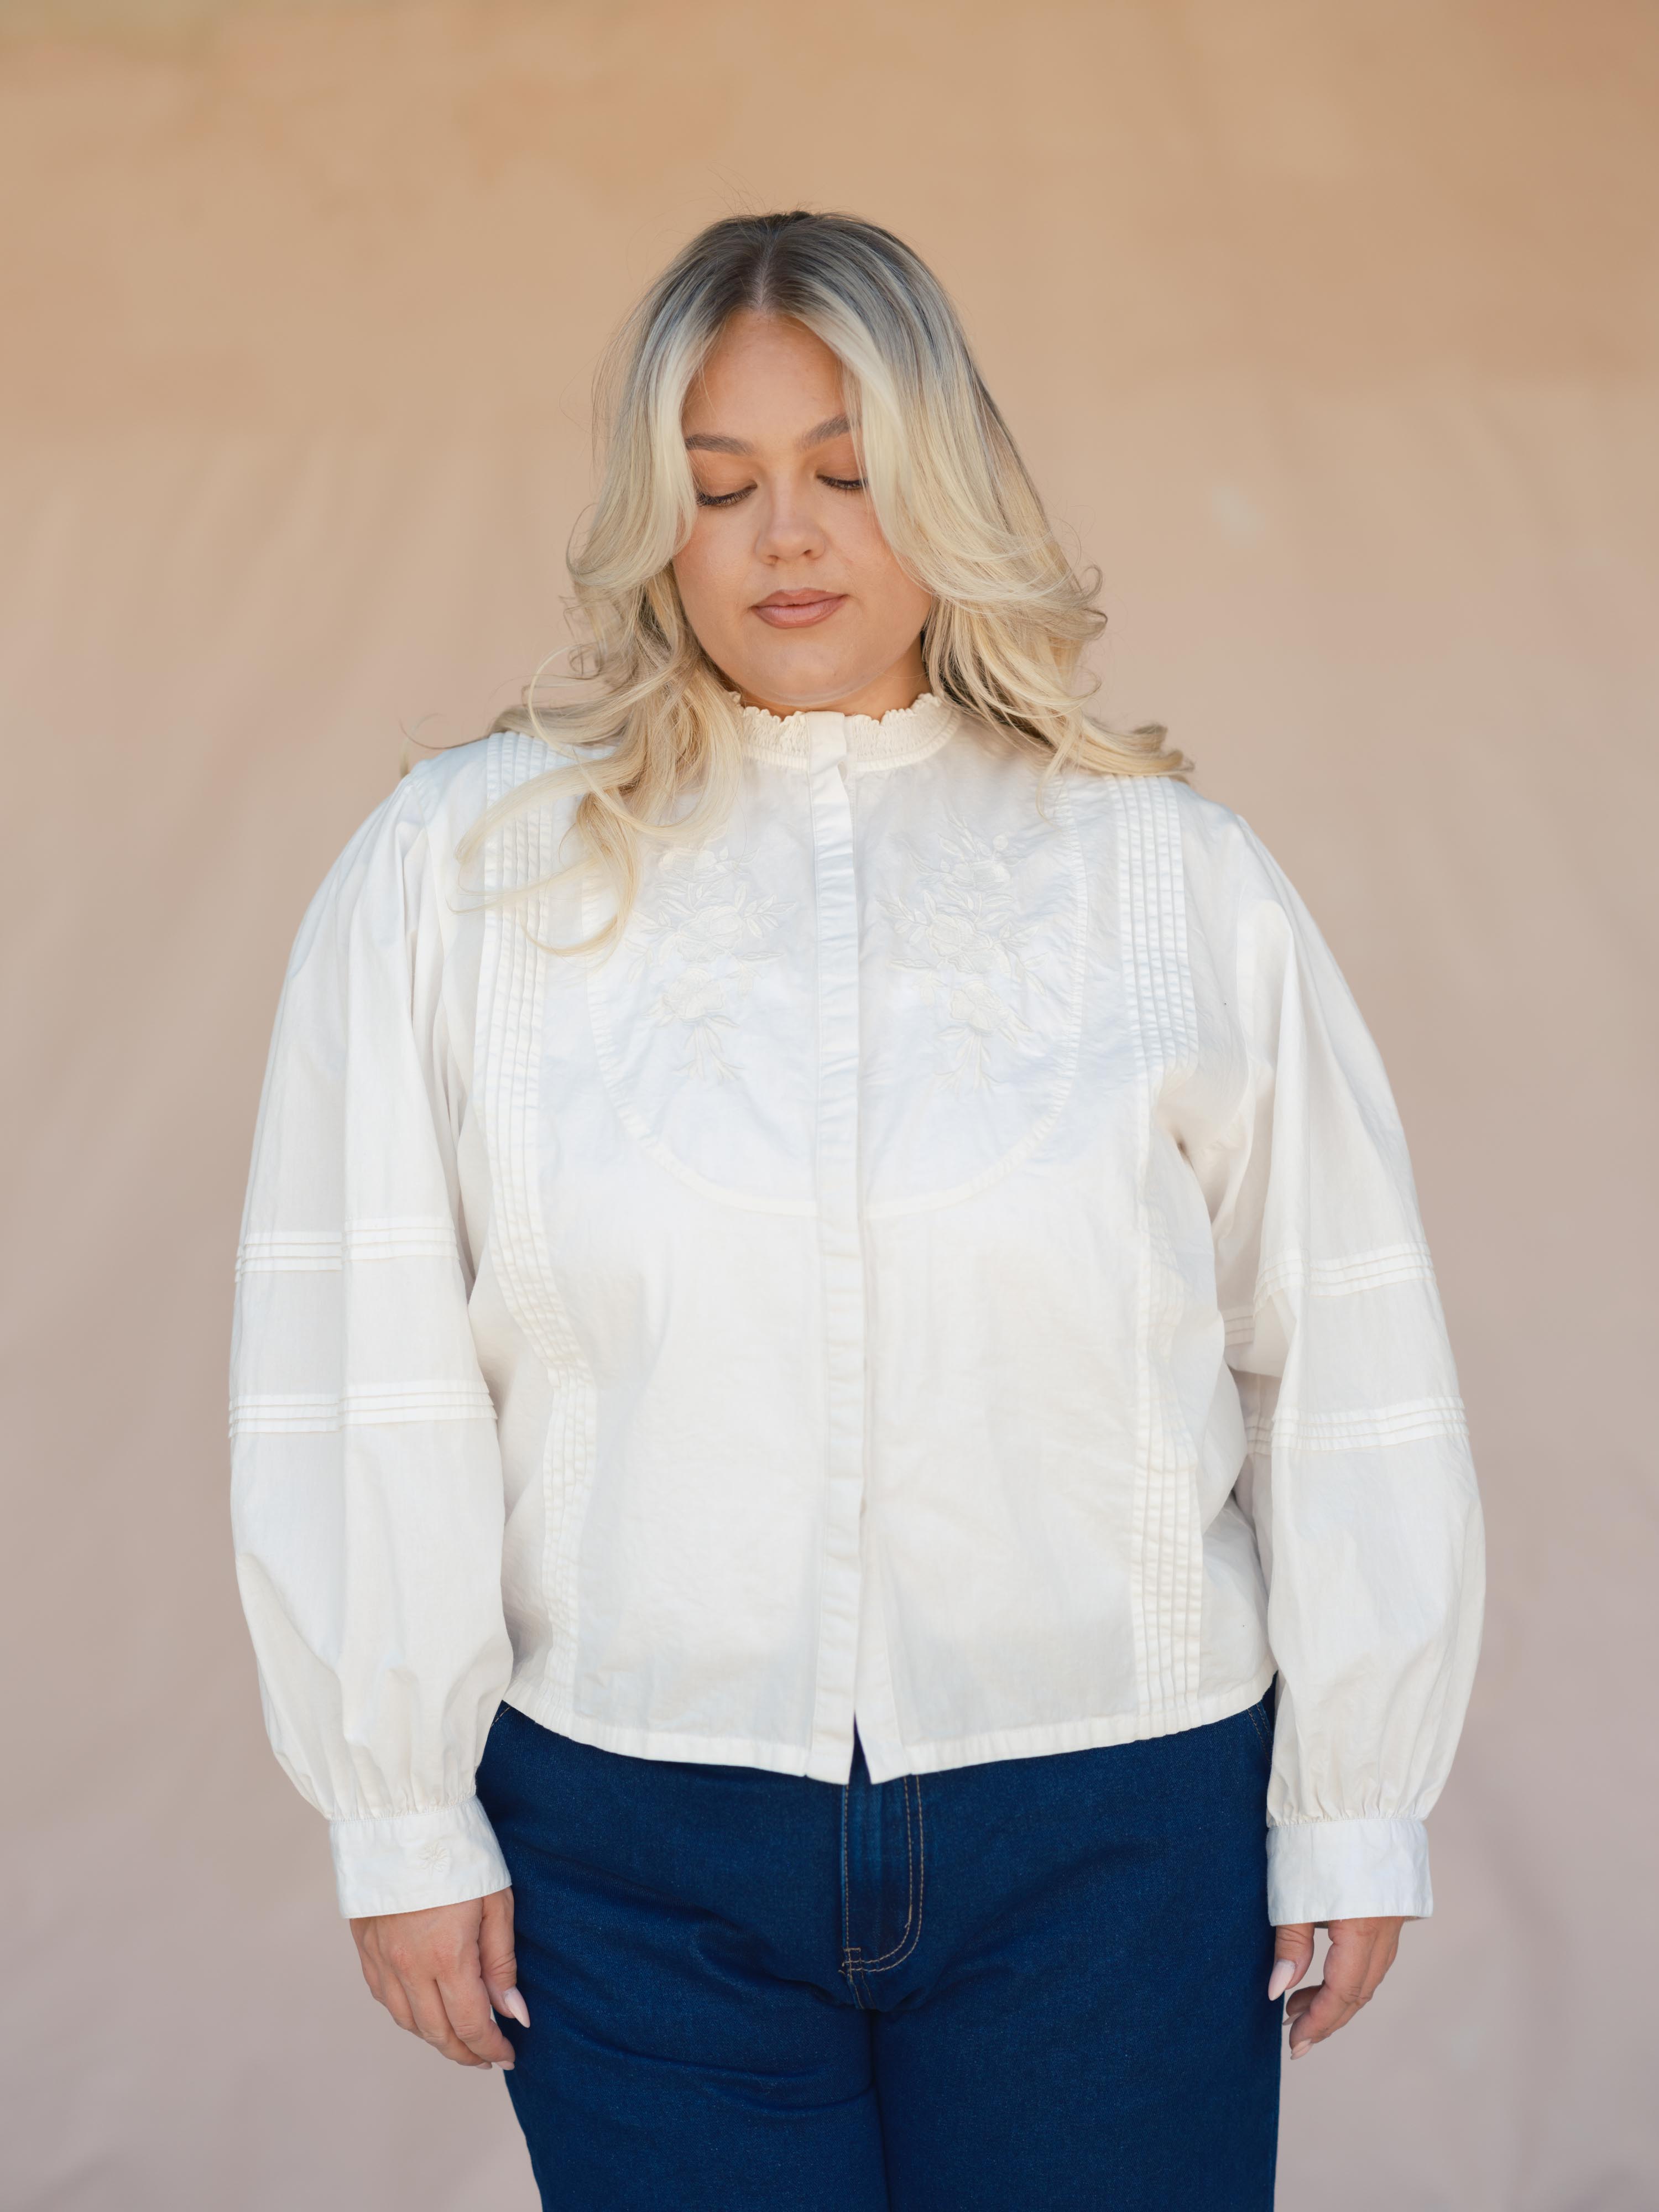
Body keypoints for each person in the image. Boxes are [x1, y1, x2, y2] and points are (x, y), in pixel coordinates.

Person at [229, 211, 1484, 2211]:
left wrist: (1355, 1798)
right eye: (720, 485)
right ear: (653, 519)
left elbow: (1340, 1344)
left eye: (848, 471)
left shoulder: (1166, 877)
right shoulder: (458, 875)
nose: (786, 538)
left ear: (951, 487)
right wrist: (395, 1811)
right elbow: (356, 1353)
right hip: (634, 1845)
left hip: (1114, 1833)